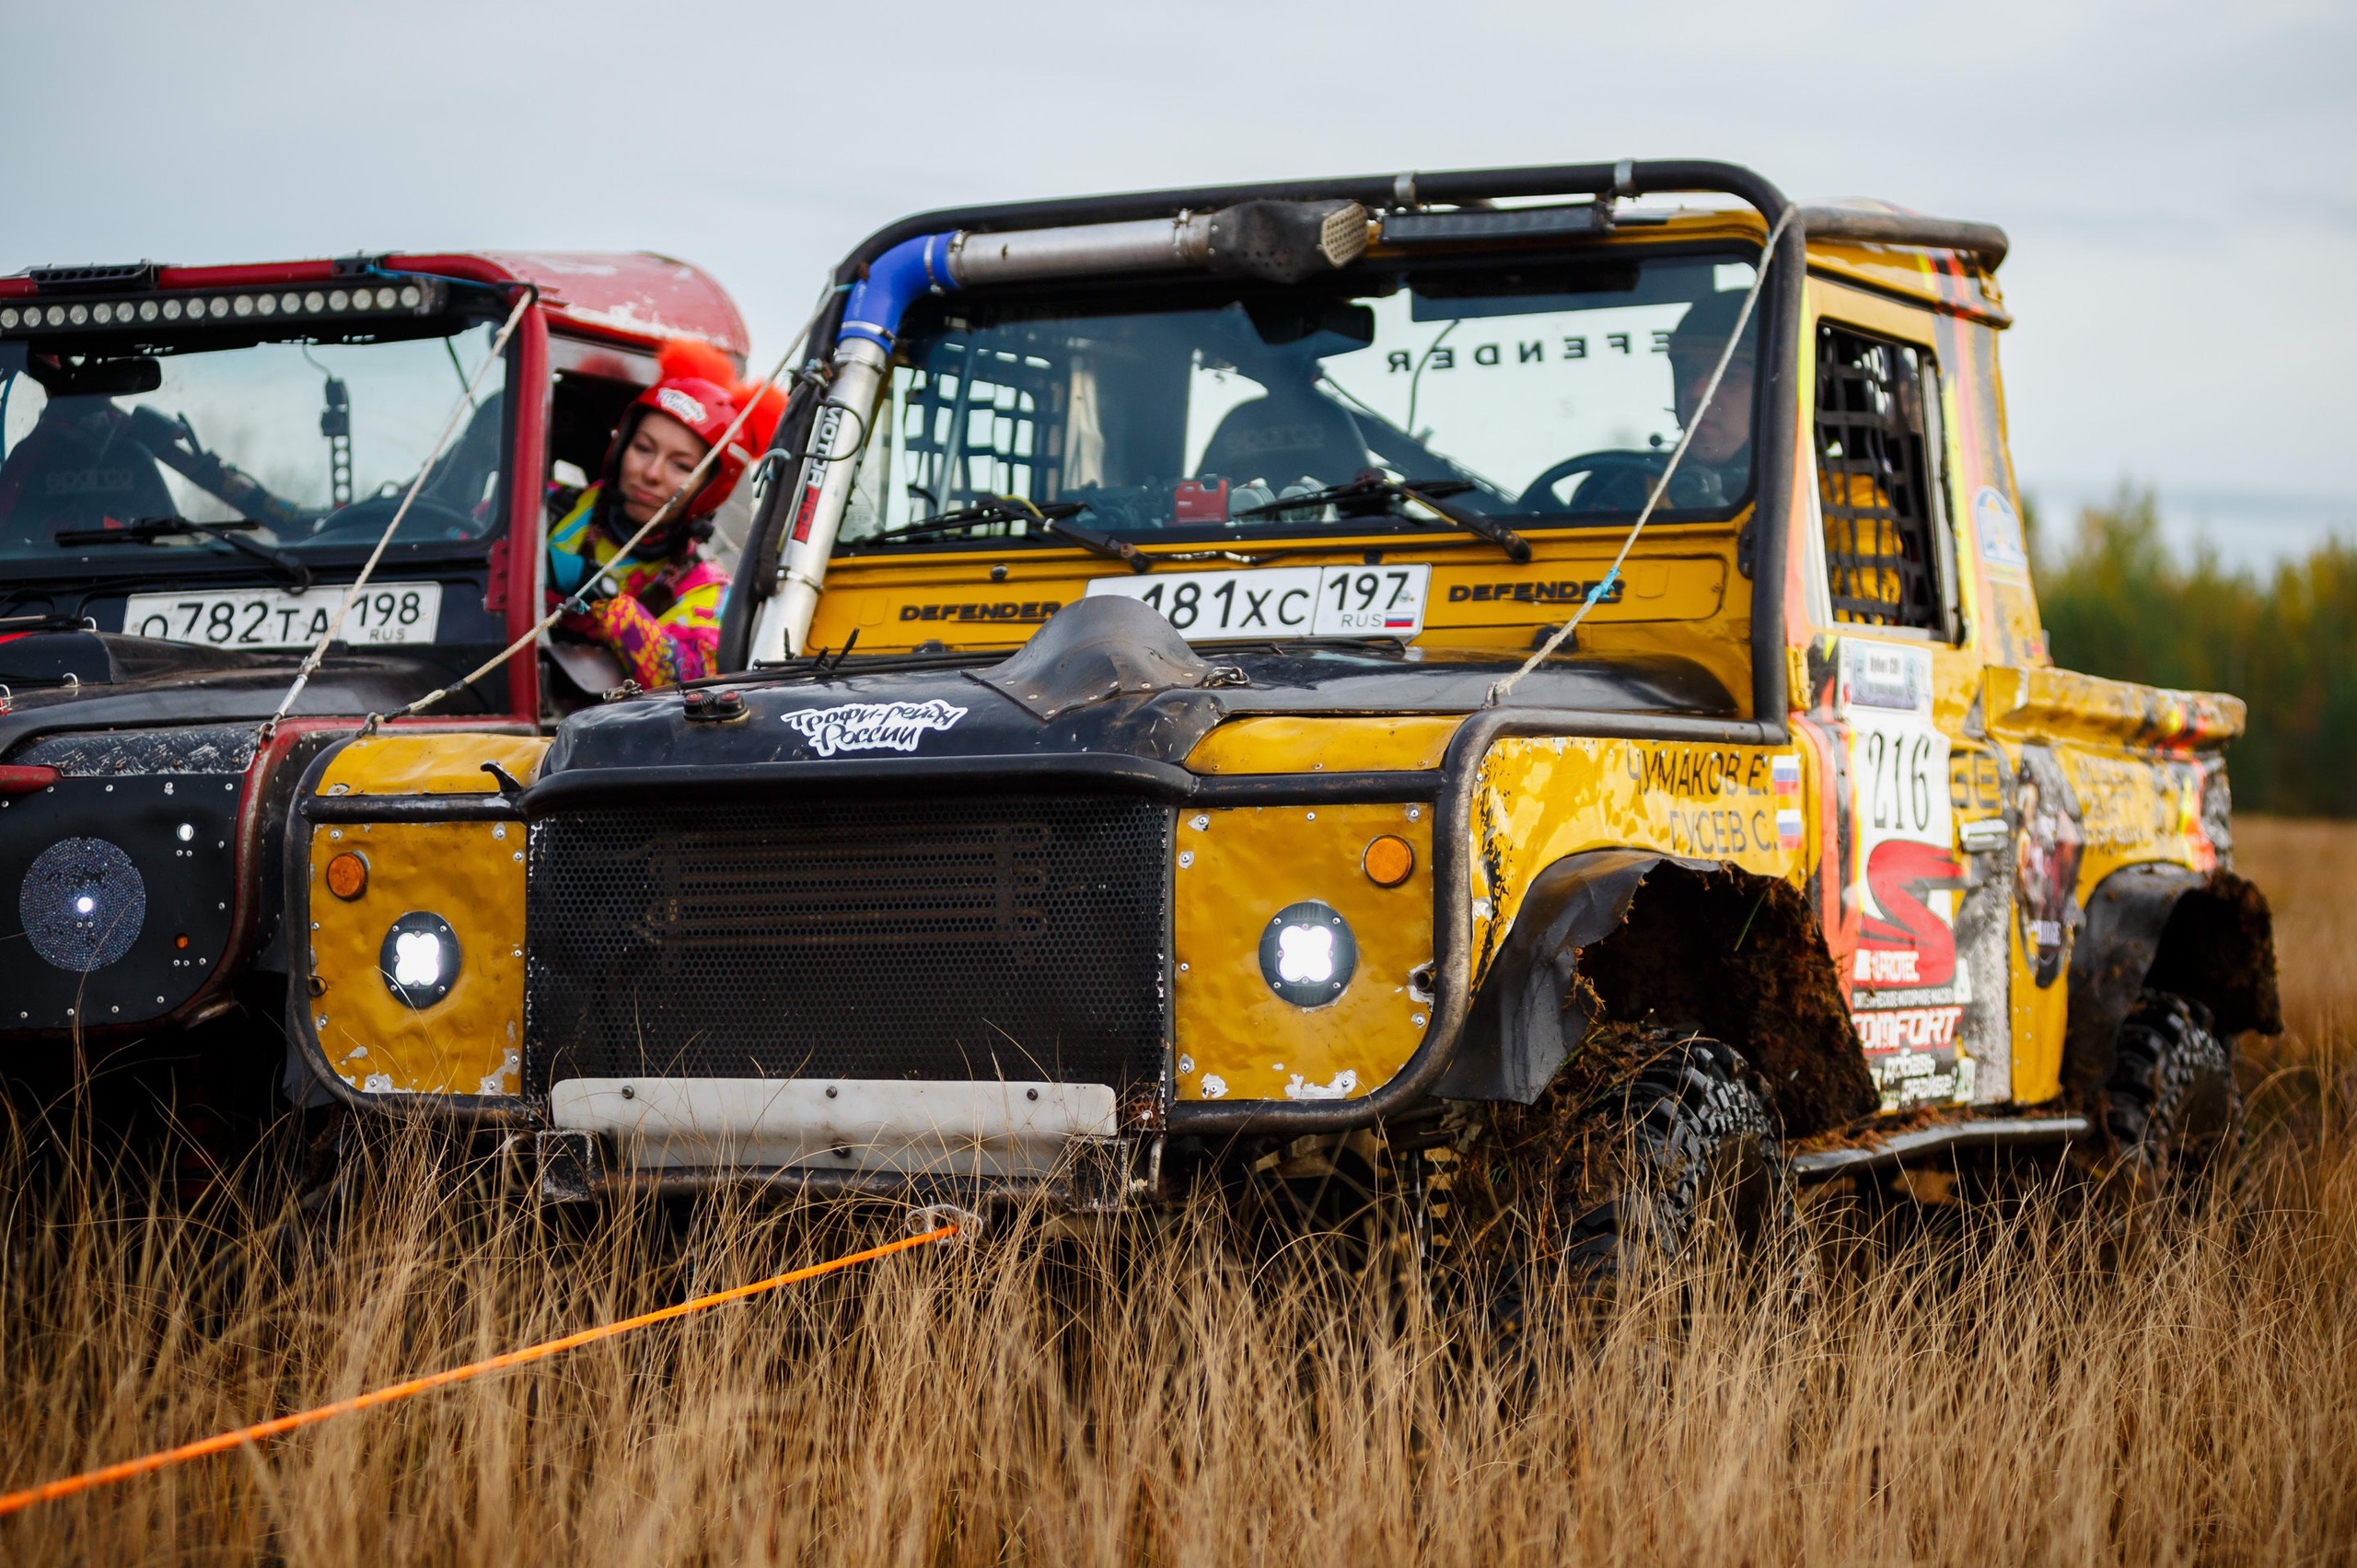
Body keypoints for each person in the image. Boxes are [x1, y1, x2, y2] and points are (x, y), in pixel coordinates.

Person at [546, 342, 779, 689]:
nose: (652, 473)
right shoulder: (552, 510)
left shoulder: (705, 588)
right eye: (643, 448)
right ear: (621, 446)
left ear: (709, 488)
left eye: (681, 465)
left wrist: (616, 612)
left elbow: (688, 680)